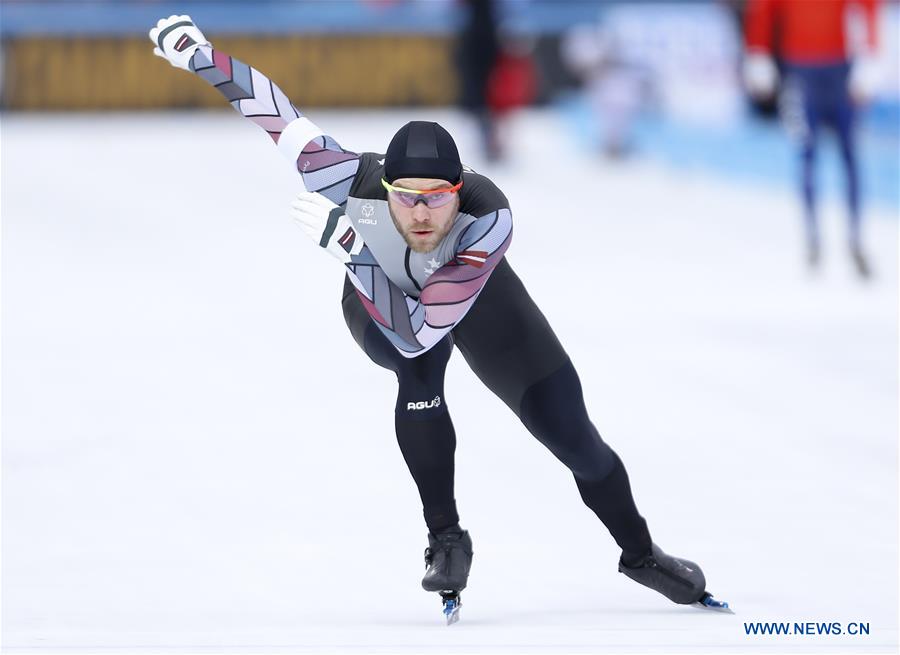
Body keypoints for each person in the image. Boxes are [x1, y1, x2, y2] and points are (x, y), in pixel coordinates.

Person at [149, 15, 727, 622]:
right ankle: (446, 537)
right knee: (418, 368)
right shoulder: (347, 178)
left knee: (573, 435)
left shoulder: (488, 219)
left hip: (469, 298)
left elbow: (427, 325)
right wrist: (199, 53)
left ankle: (640, 553)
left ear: (459, 190)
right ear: (384, 188)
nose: (421, 214)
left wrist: (351, 248)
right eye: (406, 198)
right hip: (377, 297)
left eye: (437, 199)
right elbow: (273, 113)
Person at [743, 0, 881, 278]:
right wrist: (758, 51)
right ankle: (812, 238)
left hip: (840, 68)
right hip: (799, 70)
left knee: (850, 156)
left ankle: (855, 239)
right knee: (806, 153)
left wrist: (870, 54)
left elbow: (868, 6)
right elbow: (764, 8)